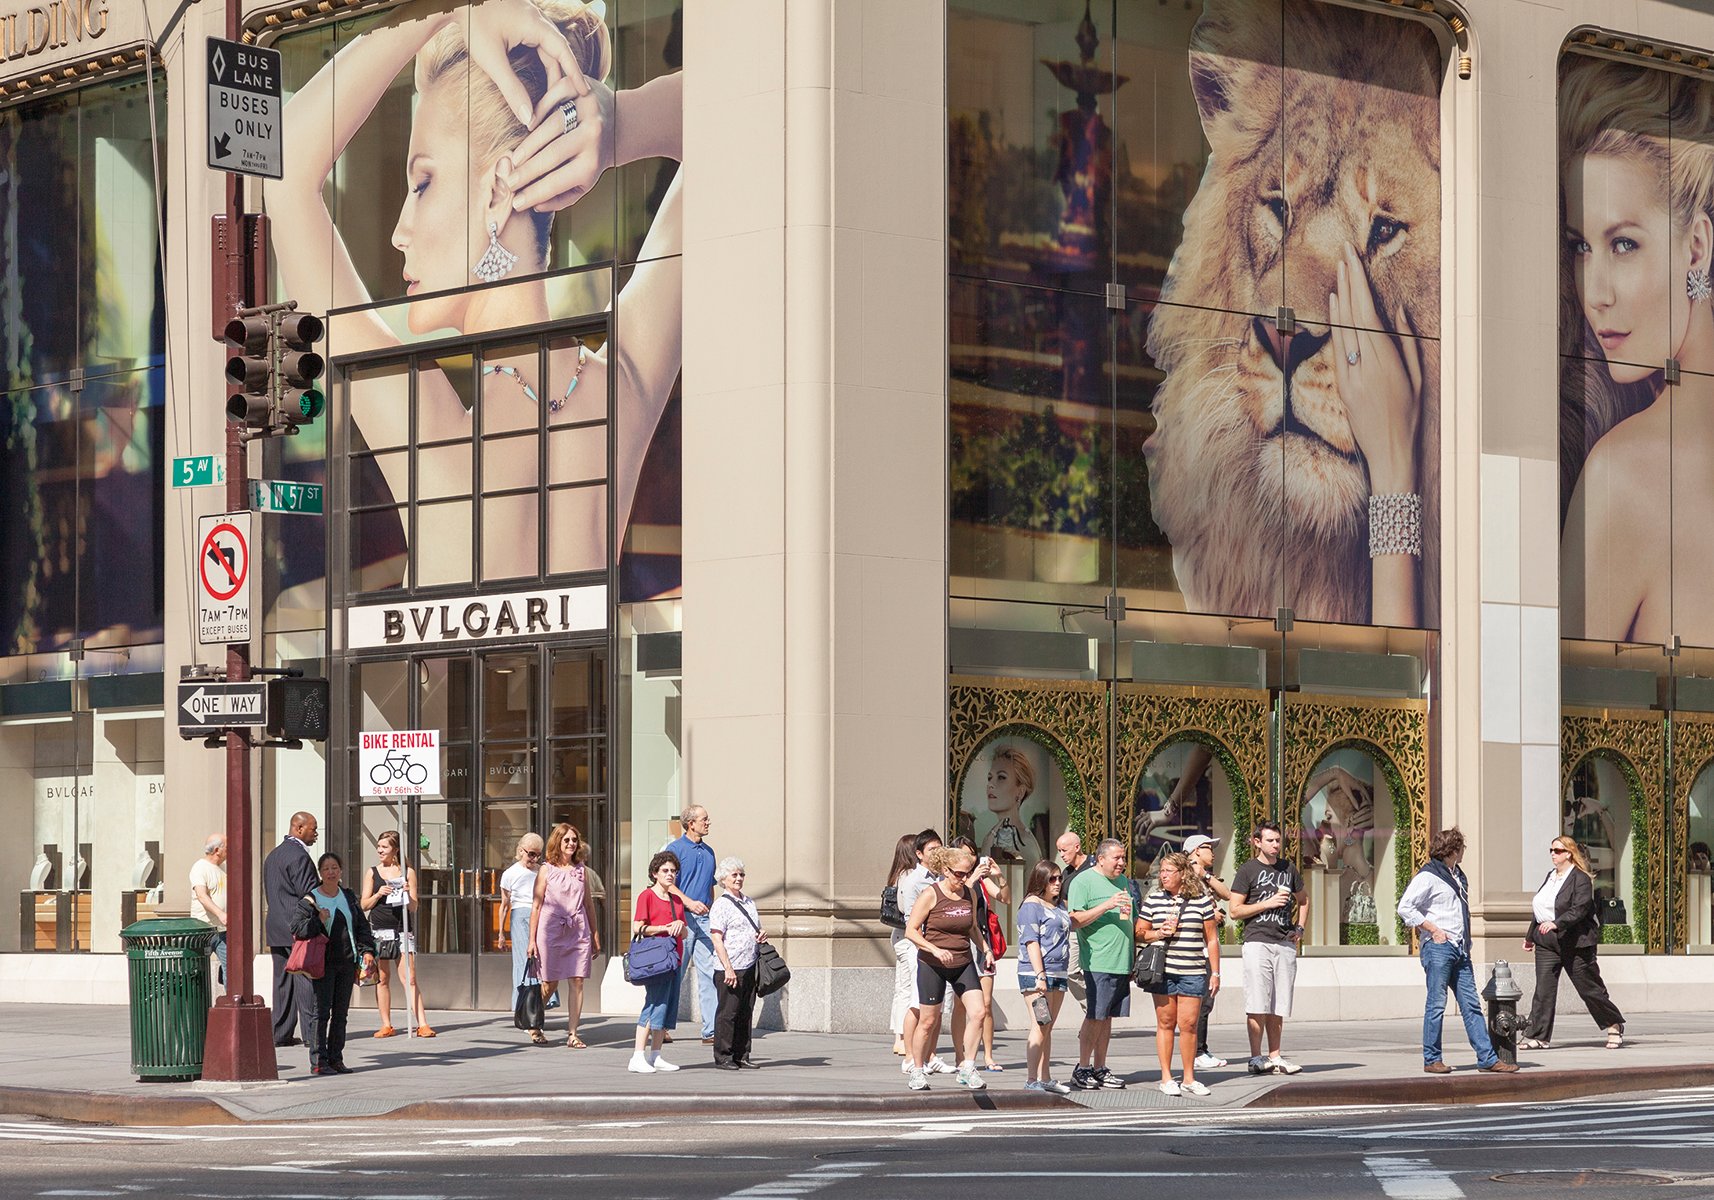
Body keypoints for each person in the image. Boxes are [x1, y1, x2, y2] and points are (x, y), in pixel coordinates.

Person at [268, 0, 683, 585]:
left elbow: (283, 172)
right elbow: (745, 107)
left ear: (496, 194)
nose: (399, 229)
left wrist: (443, 11)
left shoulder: (427, 436)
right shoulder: (624, 390)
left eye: (422, 182)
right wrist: (617, 128)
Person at [1558, 57, 1714, 645]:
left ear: (1695, 247)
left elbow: (1564, 719)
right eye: (1580, 247)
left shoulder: (1621, 475)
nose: (1594, 293)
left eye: (1623, 244)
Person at [1397, 827, 1520, 1074]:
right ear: (1453, 850)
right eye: (1462, 848)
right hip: (1439, 948)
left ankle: (1487, 1058)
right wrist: (1433, 930)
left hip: (1460, 949)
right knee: (1436, 1004)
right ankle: (1432, 1059)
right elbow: (1405, 908)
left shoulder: (1458, 876)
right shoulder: (1429, 876)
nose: (1464, 852)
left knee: (1471, 1004)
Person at [1521, 835, 1625, 1051]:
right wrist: (1530, 936)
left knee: (1589, 988)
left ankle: (1613, 1023)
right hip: (1546, 941)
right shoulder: (1551, 877)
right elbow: (1541, 908)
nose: (1552, 854)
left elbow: (1580, 908)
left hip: (1575, 941)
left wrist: (1557, 924)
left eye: (1557, 851)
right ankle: (1538, 1035)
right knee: (1544, 989)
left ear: (1569, 853)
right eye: (1551, 850)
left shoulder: (1581, 879)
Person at [903, 845, 993, 1092]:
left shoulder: (969, 894)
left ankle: (967, 1067)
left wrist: (986, 949)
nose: (963, 879)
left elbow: (973, 926)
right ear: (945, 870)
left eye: (967, 873)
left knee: (978, 1012)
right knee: (928, 1021)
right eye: (959, 874)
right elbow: (911, 930)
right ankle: (917, 1070)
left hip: (962, 961)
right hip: (933, 964)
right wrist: (933, 949)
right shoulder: (931, 894)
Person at [1138, 852, 1220, 1097]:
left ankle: (1188, 1078)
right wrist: (1158, 933)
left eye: (1168, 871)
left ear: (1183, 873)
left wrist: (1215, 972)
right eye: (1161, 871)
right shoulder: (1153, 900)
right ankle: (1165, 1077)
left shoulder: (1202, 901)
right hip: (1163, 971)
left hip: (1193, 970)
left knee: (1189, 1025)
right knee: (1165, 1023)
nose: (1163, 876)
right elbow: (1139, 932)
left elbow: (1212, 939)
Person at [1229, 820, 1306, 1075]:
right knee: (1258, 1001)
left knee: (1279, 1004)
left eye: (1277, 840)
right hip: (1257, 940)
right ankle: (1256, 1056)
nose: (1275, 845)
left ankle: (1275, 1055)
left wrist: (1300, 928)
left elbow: (1303, 900)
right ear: (1257, 842)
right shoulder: (1248, 870)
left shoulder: (1288, 869)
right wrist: (1267, 903)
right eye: (1270, 840)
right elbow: (1235, 910)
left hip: (1283, 942)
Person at [293, 853, 378, 1076]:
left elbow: (361, 926)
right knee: (320, 1013)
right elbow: (297, 928)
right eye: (326, 868)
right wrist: (317, 920)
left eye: (335, 868)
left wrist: (367, 950)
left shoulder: (348, 896)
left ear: (341, 871)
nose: (331, 872)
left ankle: (336, 1059)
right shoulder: (310, 899)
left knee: (341, 1014)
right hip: (323, 964)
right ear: (320, 873)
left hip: (347, 962)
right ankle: (319, 1062)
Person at [1066, 837, 1133, 1091]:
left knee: (1107, 1018)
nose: (1121, 863)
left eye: (1123, 857)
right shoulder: (1082, 882)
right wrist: (1107, 905)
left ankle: (1100, 1067)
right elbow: (1075, 920)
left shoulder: (1123, 881)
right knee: (1095, 1015)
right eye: (1116, 858)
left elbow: (1128, 917)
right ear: (1101, 858)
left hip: (1121, 960)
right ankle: (1082, 1068)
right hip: (1098, 960)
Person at [528, 822, 600, 1048]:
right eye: (566, 839)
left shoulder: (581, 870)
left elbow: (588, 904)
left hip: (578, 930)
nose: (571, 843)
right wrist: (531, 940)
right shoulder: (546, 869)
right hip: (551, 930)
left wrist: (595, 934)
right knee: (549, 984)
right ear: (557, 842)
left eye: (574, 840)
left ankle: (573, 1034)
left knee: (577, 980)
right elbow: (536, 906)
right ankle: (534, 1021)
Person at [359, 830, 434, 1038]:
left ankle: (422, 1024)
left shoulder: (407, 872)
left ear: (395, 850)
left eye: (384, 847)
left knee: (409, 977)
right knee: (382, 978)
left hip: (401, 930)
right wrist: (378, 894)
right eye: (379, 846)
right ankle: (386, 1024)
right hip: (379, 931)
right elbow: (363, 905)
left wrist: (408, 893)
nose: (380, 850)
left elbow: (414, 907)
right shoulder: (372, 872)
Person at [896, 830, 956, 1080]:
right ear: (919, 854)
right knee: (917, 1003)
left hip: (942, 948)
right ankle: (911, 1057)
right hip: (920, 947)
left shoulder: (943, 877)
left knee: (937, 1005)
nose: (937, 853)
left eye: (939, 848)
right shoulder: (913, 880)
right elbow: (912, 920)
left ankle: (930, 1056)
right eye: (932, 849)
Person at [262, 812, 321, 1049]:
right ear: (298, 828)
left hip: (276, 925)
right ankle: (311, 1034)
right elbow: (310, 894)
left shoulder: (273, 855)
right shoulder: (300, 857)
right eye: (313, 829)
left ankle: (281, 1032)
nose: (315, 834)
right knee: (305, 978)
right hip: (298, 927)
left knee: (282, 979)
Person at [950, 835, 1006, 1072]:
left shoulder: (981, 881)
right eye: (964, 853)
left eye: (972, 853)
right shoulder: (954, 881)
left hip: (983, 944)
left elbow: (1005, 898)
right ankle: (960, 1055)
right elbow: (959, 898)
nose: (970, 858)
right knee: (961, 1004)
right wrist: (971, 878)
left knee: (985, 1003)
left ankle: (988, 1056)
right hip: (961, 943)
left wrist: (999, 875)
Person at [1016, 860, 1072, 1094]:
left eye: (1059, 878)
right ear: (1041, 880)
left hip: (1058, 972)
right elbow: (1031, 942)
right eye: (1052, 879)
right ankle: (1031, 1079)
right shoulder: (1032, 905)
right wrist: (1040, 975)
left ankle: (1045, 1076)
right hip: (1036, 973)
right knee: (1040, 1024)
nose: (1057, 883)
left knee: (1048, 1026)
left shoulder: (1057, 906)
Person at [665, 805, 718, 1045]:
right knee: (676, 972)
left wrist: (712, 912)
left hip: (705, 920)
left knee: (709, 974)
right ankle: (662, 1025)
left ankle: (711, 1030)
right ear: (690, 824)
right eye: (704, 819)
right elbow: (666, 883)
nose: (708, 822)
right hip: (681, 918)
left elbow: (710, 886)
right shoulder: (675, 849)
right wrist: (688, 902)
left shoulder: (709, 852)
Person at [630, 850, 685, 1073]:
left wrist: (682, 928)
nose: (670, 874)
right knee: (653, 1004)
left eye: (673, 871)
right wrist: (663, 928)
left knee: (667, 1007)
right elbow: (637, 927)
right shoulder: (647, 896)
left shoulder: (677, 900)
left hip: (674, 958)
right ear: (655, 873)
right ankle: (637, 1056)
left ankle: (656, 1055)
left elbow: (684, 932)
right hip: (655, 960)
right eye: (665, 870)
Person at [708, 856, 764, 1070]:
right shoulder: (721, 905)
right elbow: (716, 938)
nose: (739, 878)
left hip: (749, 964)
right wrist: (728, 968)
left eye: (741, 874)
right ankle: (724, 1056)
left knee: (745, 1012)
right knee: (728, 1013)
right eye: (734, 875)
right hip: (729, 968)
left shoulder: (749, 902)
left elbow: (754, 928)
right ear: (724, 878)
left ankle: (742, 1054)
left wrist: (759, 936)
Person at [1184, 833, 1231, 1070]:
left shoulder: (1202, 877)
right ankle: (1197, 1050)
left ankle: (1200, 1048)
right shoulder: (1185, 878)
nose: (1212, 852)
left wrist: (1205, 875)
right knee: (1201, 1000)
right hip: (1195, 948)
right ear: (1195, 851)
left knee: (1206, 1000)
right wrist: (1212, 914)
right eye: (1208, 848)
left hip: (1207, 945)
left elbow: (1227, 894)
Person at [977, 745, 1046, 865]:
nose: (990, 785)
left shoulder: (1025, 842)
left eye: (1001, 777)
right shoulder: (991, 836)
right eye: (990, 778)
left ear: (1020, 791)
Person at [498, 832, 545, 998]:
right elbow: (504, 905)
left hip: (540, 915)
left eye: (538, 855)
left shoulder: (542, 871)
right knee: (523, 959)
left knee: (541, 958)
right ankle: (523, 1000)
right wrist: (501, 934)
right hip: (520, 915)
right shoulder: (510, 874)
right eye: (531, 854)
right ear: (521, 851)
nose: (534, 859)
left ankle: (540, 1000)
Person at [885, 833, 920, 1057]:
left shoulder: (896, 874)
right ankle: (902, 1037)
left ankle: (898, 1036)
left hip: (898, 935)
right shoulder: (909, 876)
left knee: (902, 988)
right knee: (908, 988)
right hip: (907, 937)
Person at [189, 833, 228, 985]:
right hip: (203, 929)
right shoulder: (200, 867)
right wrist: (221, 914)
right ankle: (194, 1005)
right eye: (228, 847)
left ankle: (230, 1002)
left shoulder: (223, 868)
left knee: (231, 969)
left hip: (223, 930)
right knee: (195, 970)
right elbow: (202, 895)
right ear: (218, 850)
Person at [1056, 831, 1091, 902]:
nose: (1061, 855)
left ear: (1077, 847)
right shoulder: (1066, 872)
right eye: (1059, 851)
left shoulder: (1094, 865)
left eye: (1064, 850)